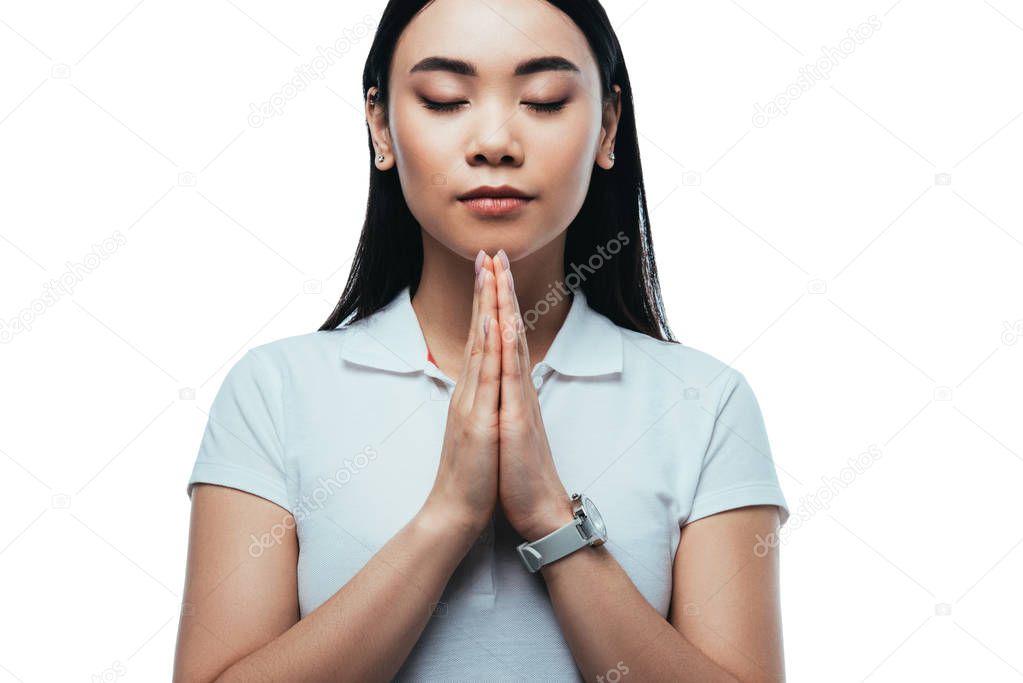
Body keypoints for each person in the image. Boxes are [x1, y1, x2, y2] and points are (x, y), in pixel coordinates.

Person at [174, 1, 791, 680]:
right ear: (380, 125)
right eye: (445, 99)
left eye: (544, 99)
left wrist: (550, 520)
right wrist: (447, 518)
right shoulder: (275, 391)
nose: (494, 141)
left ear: (607, 124)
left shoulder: (704, 403)